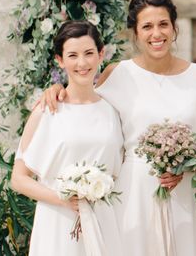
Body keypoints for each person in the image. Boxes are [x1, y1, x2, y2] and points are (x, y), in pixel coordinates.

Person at [43, 0, 196, 255]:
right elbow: (86, 106)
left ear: (174, 28)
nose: (157, 34)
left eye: (163, 24)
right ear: (135, 32)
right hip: (134, 194)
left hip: (184, 192)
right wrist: (57, 90)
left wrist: (186, 167)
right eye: (147, 26)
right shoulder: (119, 73)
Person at [12, 20, 123, 255]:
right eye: (72, 55)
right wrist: (63, 199)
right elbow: (19, 179)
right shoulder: (47, 110)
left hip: (104, 220)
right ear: (60, 60)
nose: (82, 63)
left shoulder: (113, 111)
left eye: (89, 53)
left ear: (101, 54)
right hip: (57, 222)